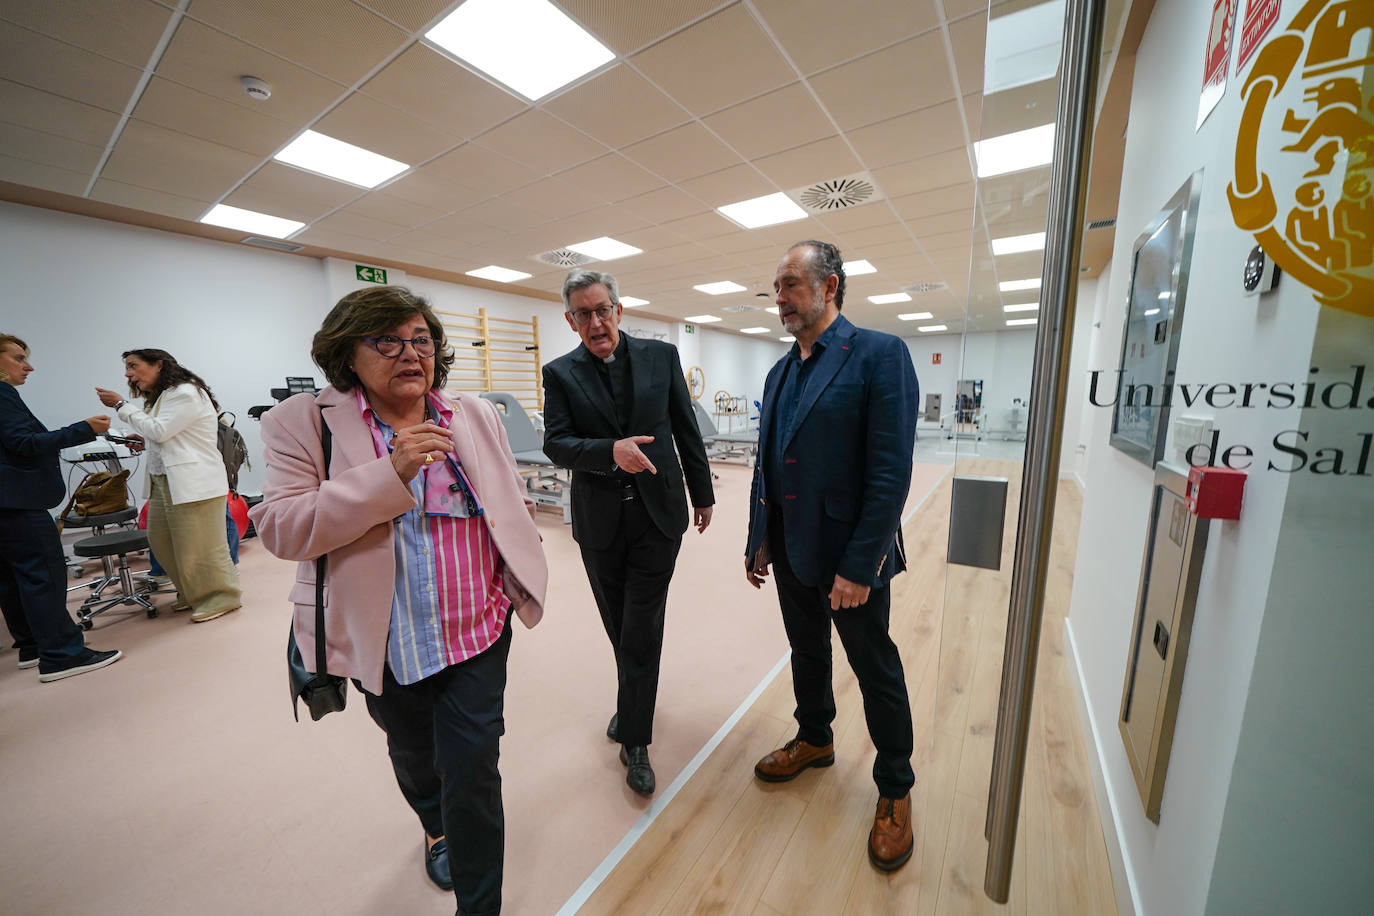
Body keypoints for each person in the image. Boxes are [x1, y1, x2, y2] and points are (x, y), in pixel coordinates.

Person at [249, 286, 548, 916]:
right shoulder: (304, 423)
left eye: (421, 339)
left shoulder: (473, 414)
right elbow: (279, 528)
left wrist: (518, 557)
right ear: (346, 355)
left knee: (473, 769)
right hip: (385, 640)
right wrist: (391, 474)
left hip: (476, 628)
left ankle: (479, 903)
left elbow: (506, 495)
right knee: (413, 754)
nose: (410, 353)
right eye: (386, 340)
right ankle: (433, 824)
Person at [744, 241, 919, 871]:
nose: (781, 298)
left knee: (874, 666)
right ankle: (815, 737)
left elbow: (890, 473)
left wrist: (860, 565)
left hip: (851, 559)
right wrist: (758, 536)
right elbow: (770, 464)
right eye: (777, 287)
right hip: (792, 549)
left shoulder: (878, 354)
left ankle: (895, 788)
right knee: (807, 651)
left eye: (791, 283)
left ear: (831, 286)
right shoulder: (781, 371)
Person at [542, 269, 715, 797]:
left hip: (657, 518)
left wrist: (702, 493)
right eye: (583, 314)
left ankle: (634, 739)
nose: (596, 322)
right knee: (621, 628)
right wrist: (607, 453)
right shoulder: (560, 373)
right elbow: (557, 444)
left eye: (603, 310)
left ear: (619, 310)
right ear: (571, 321)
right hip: (599, 524)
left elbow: (684, 427)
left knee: (640, 628)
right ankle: (631, 704)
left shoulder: (661, 358)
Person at [0, 333, 123, 682]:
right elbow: (23, 443)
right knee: (43, 576)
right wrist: (82, 429)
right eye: (18, 358)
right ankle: (62, 655)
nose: (29, 366)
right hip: (19, 503)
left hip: (4, 505)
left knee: (13, 579)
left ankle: (32, 647)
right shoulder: (3, 394)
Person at [96, 349, 241, 622]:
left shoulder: (185, 392)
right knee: (163, 542)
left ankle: (222, 597)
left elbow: (161, 430)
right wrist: (143, 439)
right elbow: (164, 434)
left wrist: (120, 406)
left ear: (158, 365)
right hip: (165, 480)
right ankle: (191, 592)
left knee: (201, 546)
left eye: (133, 366)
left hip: (194, 481)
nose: (128, 373)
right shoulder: (161, 397)